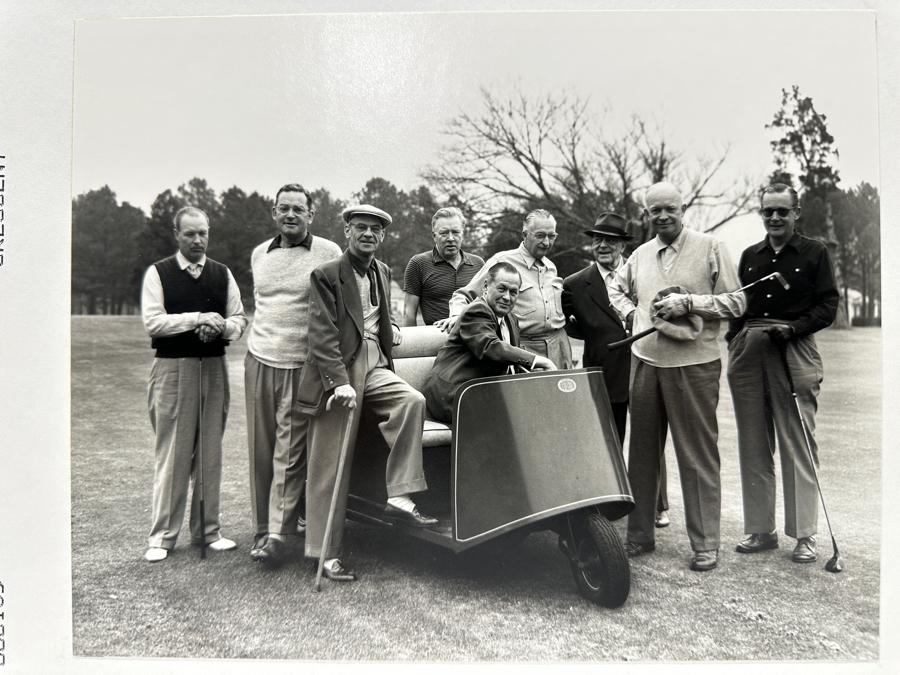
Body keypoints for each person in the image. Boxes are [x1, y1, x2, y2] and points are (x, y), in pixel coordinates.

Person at [607, 182, 746, 571]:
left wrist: (691, 302)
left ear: (683, 209)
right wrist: (636, 315)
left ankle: (706, 544)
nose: (663, 216)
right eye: (655, 211)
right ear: (646, 215)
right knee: (643, 453)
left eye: (670, 209)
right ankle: (639, 535)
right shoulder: (638, 254)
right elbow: (616, 290)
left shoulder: (710, 246)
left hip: (694, 365)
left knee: (697, 455)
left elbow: (736, 301)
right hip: (645, 361)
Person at [296, 204, 439, 582]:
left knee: (412, 401)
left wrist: (389, 330)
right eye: (360, 228)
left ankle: (399, 495)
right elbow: (322, 335)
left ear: (383, 236)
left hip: (376, 364)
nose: (368, 235)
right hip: (340, 371)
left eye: (375, 230)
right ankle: (324, 554)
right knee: (332, 462)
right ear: (347, 231)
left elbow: (375, 316)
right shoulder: (326, 275)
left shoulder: (382, 270)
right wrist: (338, 381)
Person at [727, 183, 839, 564]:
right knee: (754, 443)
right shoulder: (750, 255)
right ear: (761, 213)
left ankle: (804, 534)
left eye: (782, 211)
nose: (774, 217)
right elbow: (738, 306)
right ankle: (761, 529)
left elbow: (828, 306)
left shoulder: (814, 252)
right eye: (768, 211)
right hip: (749, 349)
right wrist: (735, 341)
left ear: (796, 212)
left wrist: (794, 329)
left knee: (797, 443)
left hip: (793, 346)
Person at [141, 206, 248, 562]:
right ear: (177, 235)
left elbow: (238, 319)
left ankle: (208, 530)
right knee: (173, 453)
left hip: (213, 367)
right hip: (173, 369)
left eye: (203, 233)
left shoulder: (222, 273)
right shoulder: (159, 273)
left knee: (209, 453)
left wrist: (218, 327)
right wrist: (197, 319)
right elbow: (154, 322)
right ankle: (162, 537)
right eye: (190, 234)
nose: (198, 240)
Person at [245, 184, 342, 567]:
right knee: (261, 449)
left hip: (302, 366)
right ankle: (259, 528)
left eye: (298, 209)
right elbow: (263, 305)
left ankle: (278, 536)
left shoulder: (328, 252)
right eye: (283, 208)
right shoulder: (259, 254)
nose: (290, 215)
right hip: (259, 359)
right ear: (274, 212)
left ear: (311, 215)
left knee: (289, 454)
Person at [561, 213, 671, 528]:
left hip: (647, 366)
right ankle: (611, 503)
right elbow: (570, 327)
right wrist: (602, 340)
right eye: (598, 239)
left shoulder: (645, 275)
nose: (603, 246)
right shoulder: (574, 284)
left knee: (650, 439)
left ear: (623, 244)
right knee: (609, 438)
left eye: (611, 240)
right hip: (604, 371)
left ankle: (657, 505)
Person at [423, 262, 557, 423]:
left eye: (513, 292)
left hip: (484, 391)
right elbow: (490, 347)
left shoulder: (511, 319)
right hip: (454, 393)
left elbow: (511, 363)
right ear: (486, 286)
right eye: (501, 289)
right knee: (515, 419)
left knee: (545, 408)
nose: (507, 297)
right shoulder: (477, 311)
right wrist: (538, 360)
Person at [446, 209, 573, 369]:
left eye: (551, 236)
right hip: (525, 349)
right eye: (540, 235)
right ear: (525, 235)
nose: (547, 242)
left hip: (559, 347)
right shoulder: (502, 262)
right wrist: (457, 315)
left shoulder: (550, 267)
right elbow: (463, 295)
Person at [403, 206, 485, 327]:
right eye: (444, 233)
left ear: (463, 233)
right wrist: (410, 344)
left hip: (474, 338)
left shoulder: (478, 264)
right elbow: (409, 314)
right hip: (436, 339)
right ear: (434, 235)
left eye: (456, 232)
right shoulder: (418, 264)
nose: (451, 238)